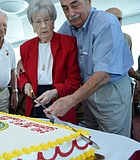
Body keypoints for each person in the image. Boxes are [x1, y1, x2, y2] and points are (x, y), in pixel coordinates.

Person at [42, 0, 134, 137]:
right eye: (65, 8)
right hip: (86, 92)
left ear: (89, 2)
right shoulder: (68, 26)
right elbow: (50, 45)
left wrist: (71, 100)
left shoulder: (106, 22)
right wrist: (24, 59)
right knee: (93, 136)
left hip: (110, 91)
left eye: (75, 5)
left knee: (113, 140)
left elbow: (104, 74)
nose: (71, 14)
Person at [19, 0, 81, 124]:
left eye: (47, 20)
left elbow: (74, 80)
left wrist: (54, 92)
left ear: (53, 21)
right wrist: (25, 84)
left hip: (58, 98)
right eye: (38, 21)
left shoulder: (68, 43)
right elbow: (22, 73)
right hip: (35, 99)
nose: (43, 26)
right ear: (32, 25)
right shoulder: (25, 47)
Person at [106, 7, 140, 81]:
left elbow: (127, 65)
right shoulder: (96, 38)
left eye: (119, 19)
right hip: (103, 85)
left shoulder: (126, 38)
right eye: (113, 18)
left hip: (123, 83)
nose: (116, 22)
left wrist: (137, 77)